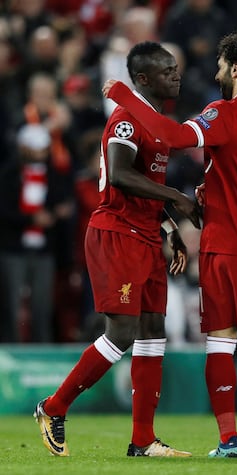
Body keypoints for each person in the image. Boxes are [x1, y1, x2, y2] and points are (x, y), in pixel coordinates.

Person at [103, 28, 237, 458]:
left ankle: (229, 442)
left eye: (219, 66)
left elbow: (173, 138)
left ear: (236, 67)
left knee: (221, 343)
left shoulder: (225, 113)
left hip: (229, 246)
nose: (216, 74)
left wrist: (124, 95)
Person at [34, 41, 200, 457]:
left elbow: (143, 188)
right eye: (167, 71)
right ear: (142, 79)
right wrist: (176, 196)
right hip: (117, 233)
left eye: (176, 69)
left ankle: (143, 439)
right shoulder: (126, 120)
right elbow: (122, 175)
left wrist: (167, 224)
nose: (176, 76)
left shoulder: (158, 123)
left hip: (145, 234)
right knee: (122, 332)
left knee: (152, 334)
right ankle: (54, 407)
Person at [0, 123, 74, 342]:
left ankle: (42, 349)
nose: (41, 154)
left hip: (44, 250)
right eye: (36, 148)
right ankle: (10, 350)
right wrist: (31, 219)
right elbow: (3, 210)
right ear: (23, 148)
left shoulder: (54, 175)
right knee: (11, 305)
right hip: (14, 249)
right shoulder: (8, 174)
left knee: (43, 304)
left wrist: (59, 212)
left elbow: (63, 201)